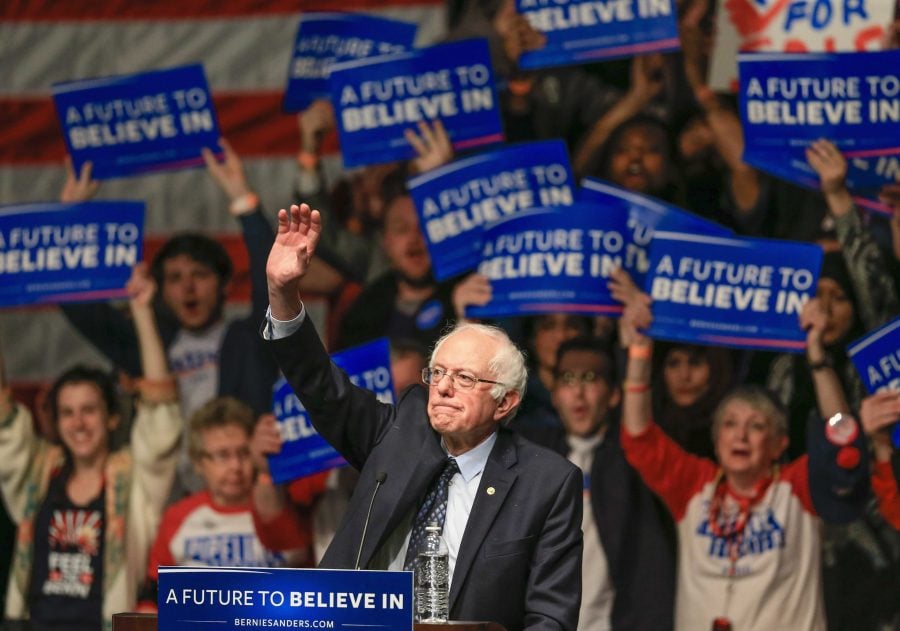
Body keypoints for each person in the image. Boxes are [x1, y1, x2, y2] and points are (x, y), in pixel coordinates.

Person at [256, 202, 583, 631]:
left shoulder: (547, 482)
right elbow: (323, 390)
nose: (443, 387)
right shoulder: (400, 432)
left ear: (505, 403)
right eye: (438, 373)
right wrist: (283, 294)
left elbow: (550, 618)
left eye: (465, 377)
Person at [613, 269, 868, 630]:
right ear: (716, 442)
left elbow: (842, 439)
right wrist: (639, 351)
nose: (741, 436)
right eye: (730, 424)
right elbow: (639, 437)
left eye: (757, 426)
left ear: (779, 444)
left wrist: (816, 355)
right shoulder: (694, 486)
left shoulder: (798, 487)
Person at [0, 264, 182, 630]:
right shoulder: (38, 471)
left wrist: (143, 310)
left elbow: (161, 411)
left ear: (113, 418)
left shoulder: (134, 478)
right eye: (67, 413)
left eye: (89, 410)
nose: (78, 423)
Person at [520, 337, 677, 631]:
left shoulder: (634, 461)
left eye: (590, 379)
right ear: (554, 394)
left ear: (614, 394)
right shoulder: (531, 455)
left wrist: (639, 349)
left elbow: (643, 427)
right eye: (568, 379)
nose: (579, 393)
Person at [139, 398, 310, 611]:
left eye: (244, 453)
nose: (236, 466)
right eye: (222, 456)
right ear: (199, 463)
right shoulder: (179, 516)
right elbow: (152, 598)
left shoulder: (281, 503)